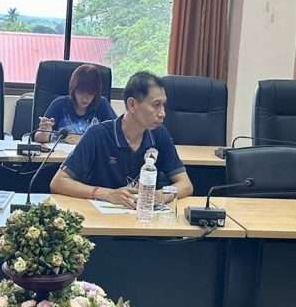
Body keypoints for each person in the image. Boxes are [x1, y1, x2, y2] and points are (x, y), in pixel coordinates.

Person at [50, 71, 193, 208]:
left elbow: (185, 184)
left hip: (142, 216)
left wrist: (161, 195)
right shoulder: (97, 134)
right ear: (132, 105)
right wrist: (107, 194)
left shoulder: (159, 134)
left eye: (163, 105)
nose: (162, 113)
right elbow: (58, 183)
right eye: (156, 105)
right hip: (101, 218)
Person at [35, 64, 115, 144]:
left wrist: (83, 139)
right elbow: (37, 137)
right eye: (81, 92)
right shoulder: (59, 104)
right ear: (73, 90)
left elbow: (116, 135)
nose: (85, 99)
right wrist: (44, 133)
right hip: (62, 152)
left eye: (90, 93)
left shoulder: (102, 104)